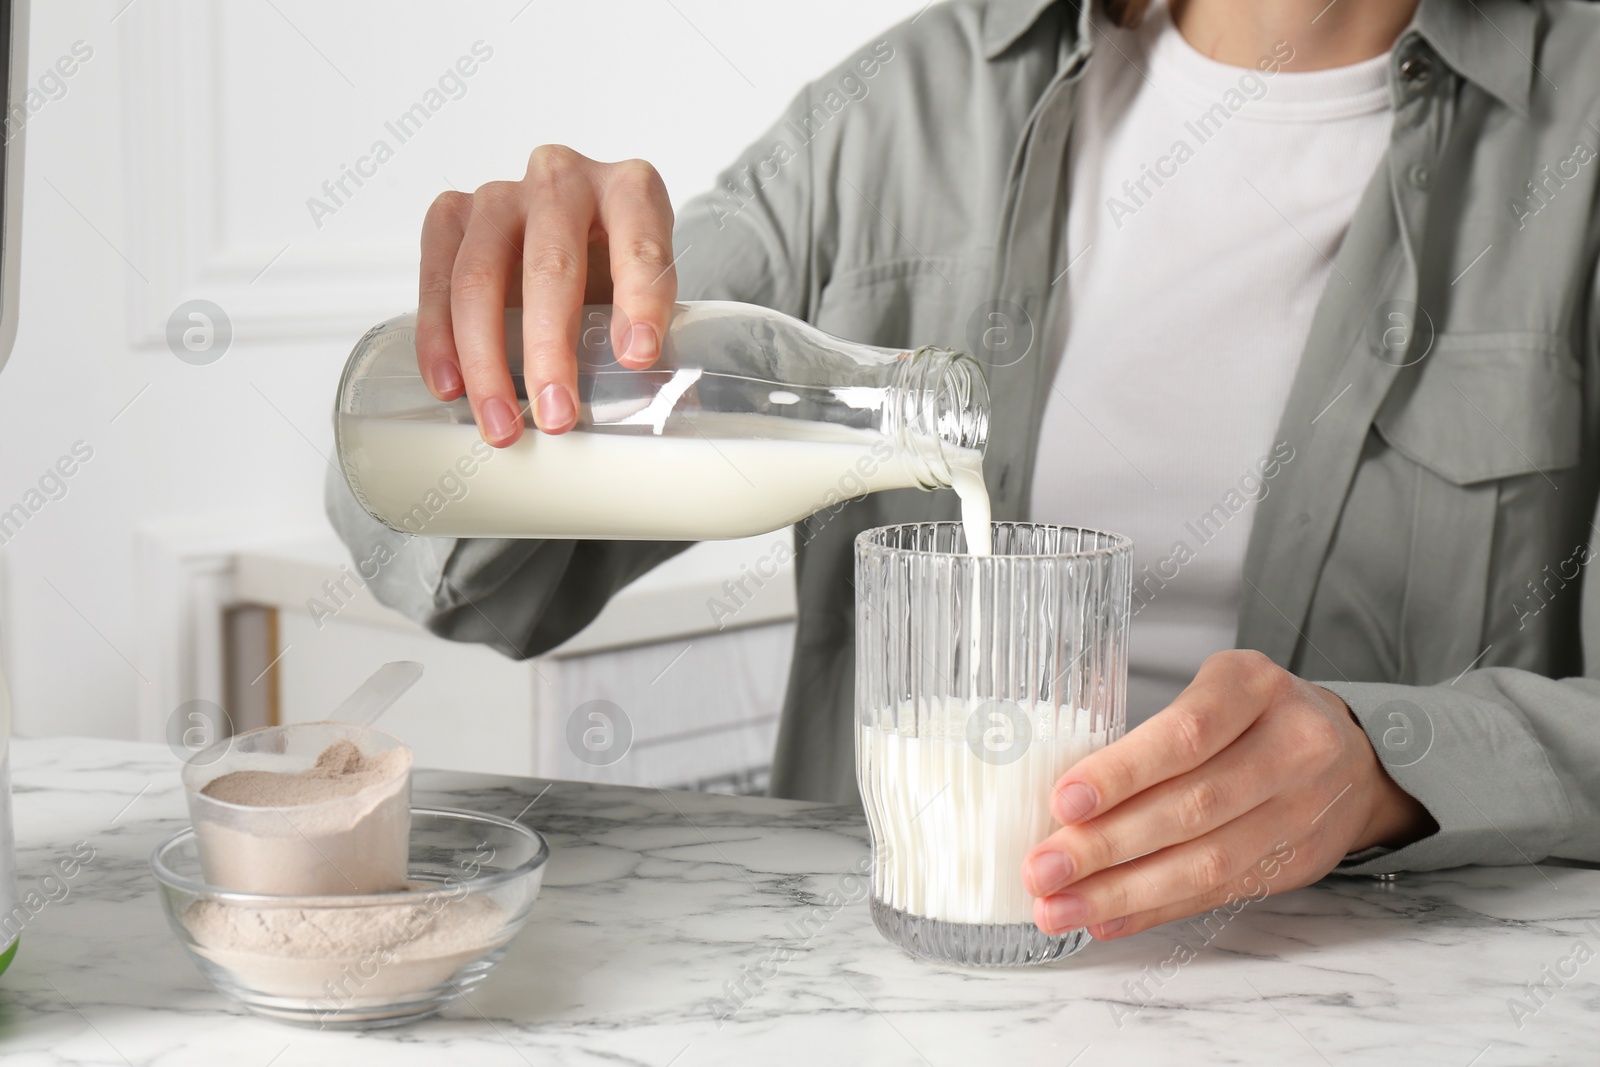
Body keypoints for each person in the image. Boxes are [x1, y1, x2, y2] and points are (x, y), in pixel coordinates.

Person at [328, 0, 1600, 942]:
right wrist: (525, 352)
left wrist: (1387, 767)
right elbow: (469, 584)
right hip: (903, 987)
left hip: (1374, 995)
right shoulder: (899, 110)